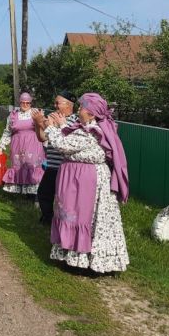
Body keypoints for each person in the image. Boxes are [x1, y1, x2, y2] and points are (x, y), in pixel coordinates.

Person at [43, 92, 129, 273]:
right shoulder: (88, 129)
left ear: (91, 114)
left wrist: (51, 127)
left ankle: (82, 261)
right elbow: (71, 144)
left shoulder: (91, 131)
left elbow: (63, 146)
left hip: (85, 182)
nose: (79, 110)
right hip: (81, 179)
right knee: (77, 217)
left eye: (82, 108)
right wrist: (63, 126)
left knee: (82, 218)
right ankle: (75, 257)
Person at [32, 91, 78, 224]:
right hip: (52, 165)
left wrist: (50, 125)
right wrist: (37, 123)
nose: (55, 105)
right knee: (43, 193)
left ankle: (61, 223)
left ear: (69, 105)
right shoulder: (52, 117)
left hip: (66, 167)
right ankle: (48, 219)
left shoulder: (75, 120)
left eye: (58, 103)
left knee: (63, 198)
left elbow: (68, 140)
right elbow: (42, 137)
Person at [0, 92, 45, 195]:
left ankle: (33, 193)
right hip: (17, 144)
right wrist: (2, 145)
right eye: (23, 102)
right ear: (19, 102)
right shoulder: (13, 115)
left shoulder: (36, 113)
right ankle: (20, 191)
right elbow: (7, 131)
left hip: (33, 144)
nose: (25, 105)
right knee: (18, 165)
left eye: (27, 103)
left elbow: (44, 129)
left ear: (30, 103)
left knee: (31, 165)